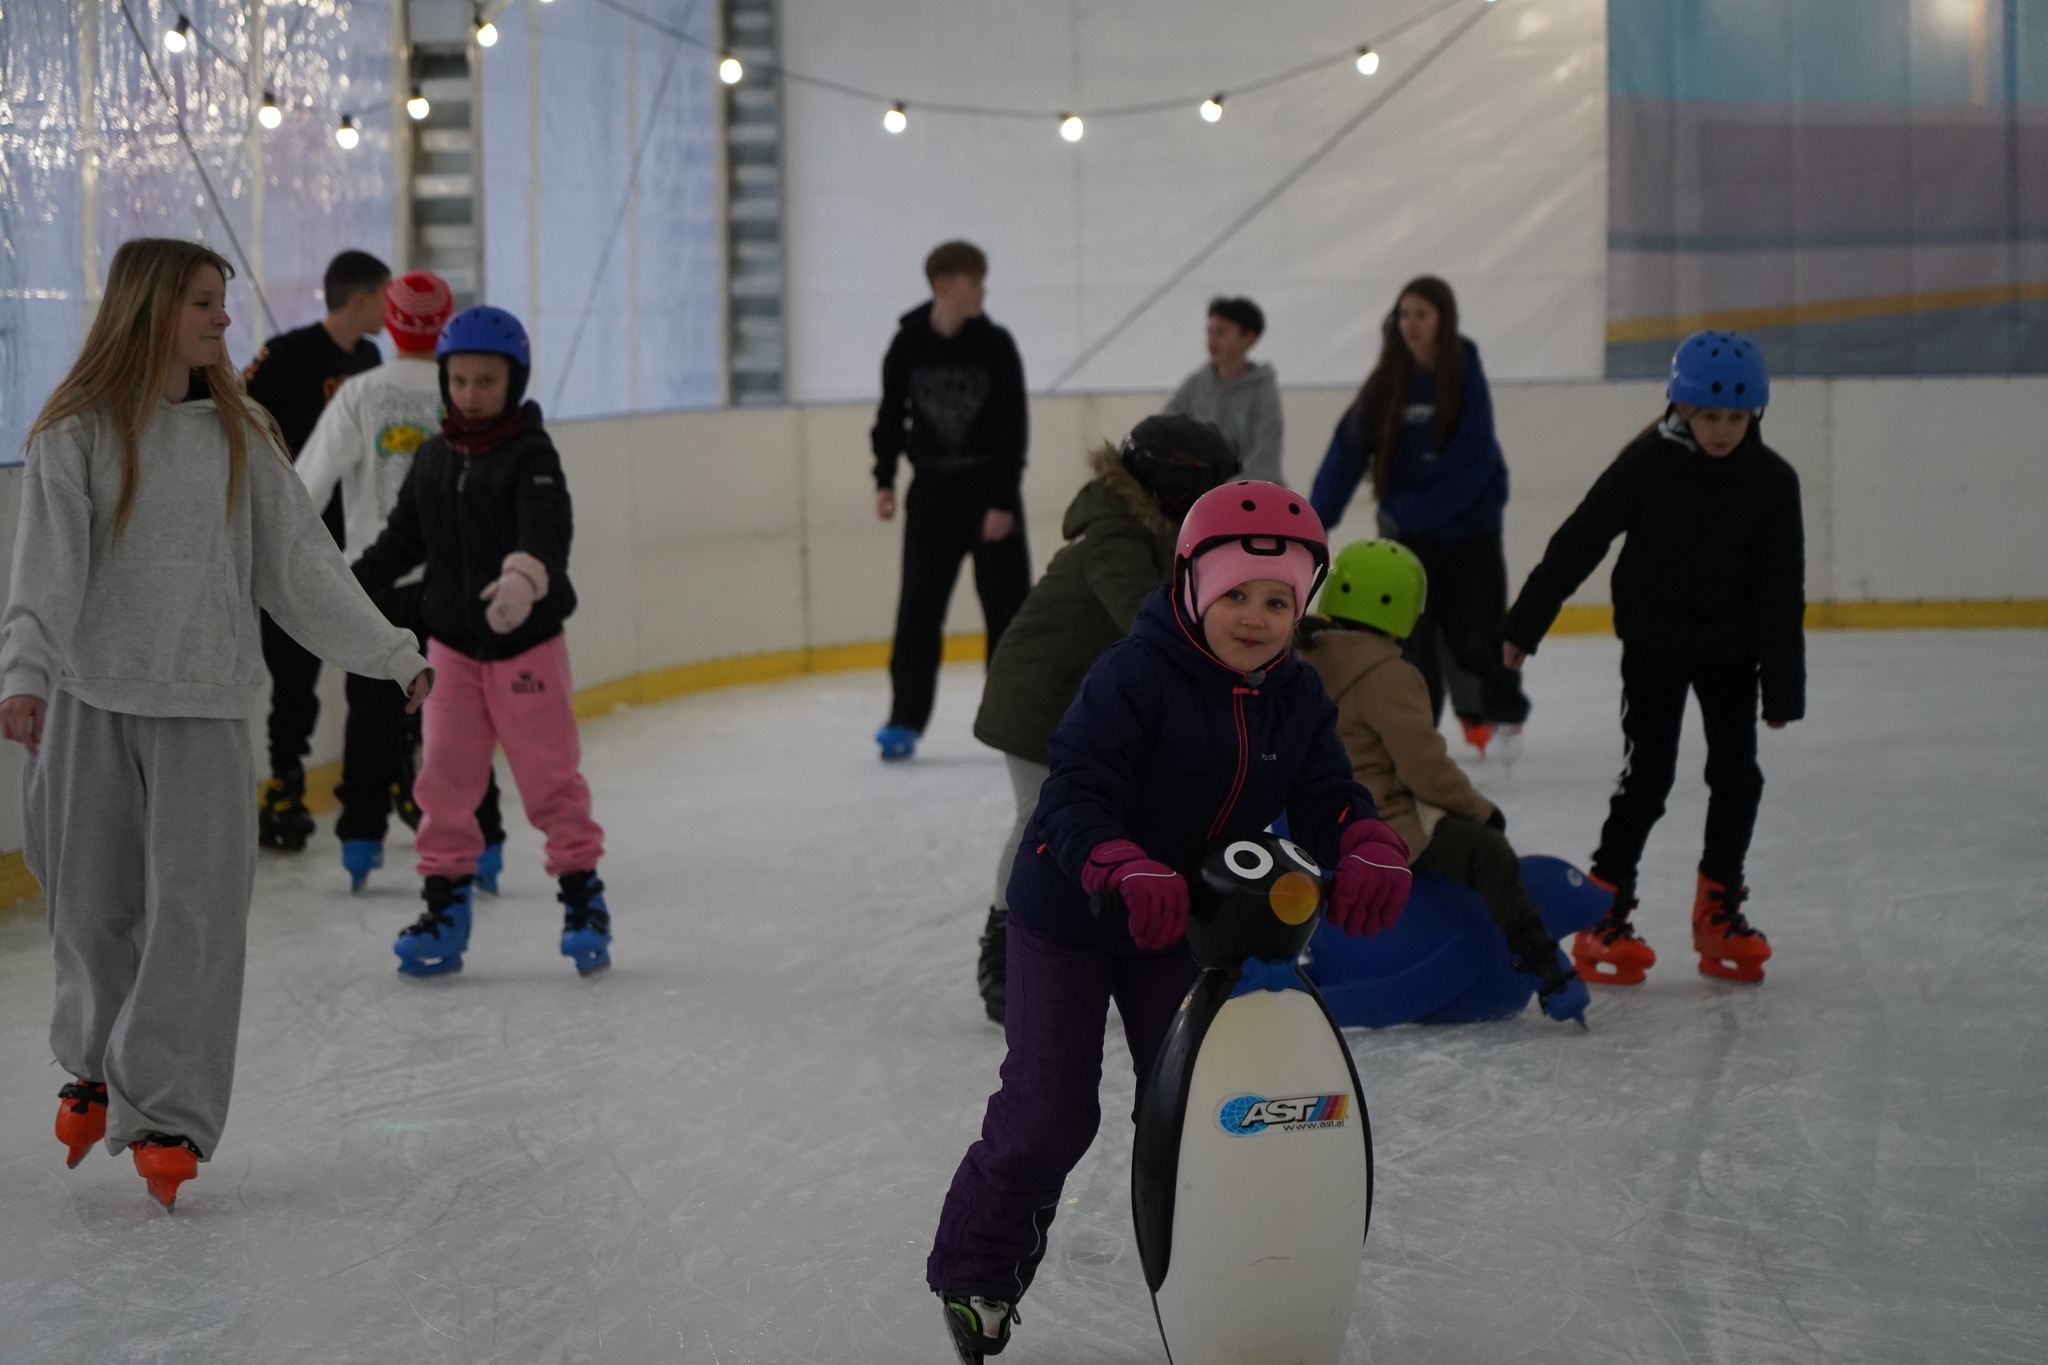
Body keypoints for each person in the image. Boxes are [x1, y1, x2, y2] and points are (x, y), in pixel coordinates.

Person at [928, 480, 1413, 1362]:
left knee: (1202, 1107)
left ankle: (1228, 1274)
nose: (1257, 618)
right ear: (1191, 587)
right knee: (1050, 1112)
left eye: (1278, 600)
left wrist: (1368, 838)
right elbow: (1075, 788)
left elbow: (1327, 795)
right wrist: (1117, 861)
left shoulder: (1295, 696)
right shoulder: (1133, 674)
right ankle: (977, 1273)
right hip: (1071, 910)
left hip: (1180, 925)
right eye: (1235, 594)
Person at [0, 239, 430, 1209]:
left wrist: (391, 652)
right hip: (88, 704)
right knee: (90, 908)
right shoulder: (75, 435)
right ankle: (94, 1063)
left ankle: (168, 1111)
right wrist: (25, 673)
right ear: (150, 308)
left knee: (196, 923)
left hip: (200, 709)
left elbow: (304, 568)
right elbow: (45, 572)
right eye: (204, 302)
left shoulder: (245, 434)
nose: (223, 321)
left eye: (221, 303)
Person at [1502, 330, 1803, 986]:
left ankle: (1717, 909)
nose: (1723, 429)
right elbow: (1579, 540)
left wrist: (1782, 688)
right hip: (1656, 648)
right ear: (1681, 407)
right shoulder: (1646, 465)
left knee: (1739, 776)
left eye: (1737, 416)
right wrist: (1526, 623)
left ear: (1755, 411)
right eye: (1710, 415)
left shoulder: (1773, 482)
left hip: (1731, 652)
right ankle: (1604, 913)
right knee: (1649, 776)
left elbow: (1781, 587)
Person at [352, 306, 612, 979]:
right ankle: (445, 909)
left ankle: (584, 900)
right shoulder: (435, 456)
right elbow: (403, 538)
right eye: (459, 380)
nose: (470, 393)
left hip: (525, 646)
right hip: (452, 649)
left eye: (486, 381)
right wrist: (346, 590)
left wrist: (524, 578)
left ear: (514, 381)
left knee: (550, 779)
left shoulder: (531, 453)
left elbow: (547, 527)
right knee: (442, 779)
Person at [968, 414, 1240, 1024]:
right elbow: (1147, 614)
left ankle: (1090, 937)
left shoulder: (1158, 530)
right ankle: (1004, 949)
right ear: (1178, 487)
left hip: (1082, 700)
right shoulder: (1115, 537)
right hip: (1039, 698)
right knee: (1039, 819)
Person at [1299, 538, 1588, 1023]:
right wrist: (1480, 811)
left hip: (1315, 818)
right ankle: (1543, 964)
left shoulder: (1307, 657)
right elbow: (1424, 770)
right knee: (1487, 851)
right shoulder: (1388, 673)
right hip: (1378, 822)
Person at [296, 271, 508, 894]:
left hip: (376, 584)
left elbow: (307, 488)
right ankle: (486, 839)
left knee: (370, 715)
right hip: (456, 583)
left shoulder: (361, 392)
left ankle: (361, 840)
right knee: (461, 715)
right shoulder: (467, 393)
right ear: (445, 324)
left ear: (390, 323)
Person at [1308, 276, 1530, 756]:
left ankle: (1503, 710)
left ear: (1442, 321)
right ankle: (1418, 734)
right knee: (1413, 643)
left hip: (1471, 530)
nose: (1412, 325)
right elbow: (1346, 452)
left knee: (1476, 638)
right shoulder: (1388, 381)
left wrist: (1415, 510)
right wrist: (1313, 521)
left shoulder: (1466, 374)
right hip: (1409, 537)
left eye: (1422, 315)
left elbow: (1474, 462)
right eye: (1405, 314)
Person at [243, 248, 393, 850]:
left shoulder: (373, 359)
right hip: (292, 543)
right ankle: (285, 781)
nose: (390, 308)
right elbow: (233, 411)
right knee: (295, 671)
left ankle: (395, 768)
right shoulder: (288, 355)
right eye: (385, 295)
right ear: (360, 298)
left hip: (356, 542)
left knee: (381, 659)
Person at [870, 240, 1032, 763]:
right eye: (973, 281)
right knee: (918, 609)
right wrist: (886, 479)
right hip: (933, 497)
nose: (982, 290)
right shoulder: (906, 345)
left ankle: (1014, 716)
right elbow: (892, 417)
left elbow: (1013, 427)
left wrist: (1003, 501)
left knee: (1007, 611)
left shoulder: (997, 345)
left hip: (990, 494)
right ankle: (904, 719)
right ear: (944, 287)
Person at [1163, 296, 1284, 484]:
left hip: (1252, 497)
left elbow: (1267, 454)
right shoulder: (1195, 385)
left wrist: (1232, 488)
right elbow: (1164, 433)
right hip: (1201, 496)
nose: (1212, 342)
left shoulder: (1262, 391)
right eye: (1209, 332)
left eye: (1221, 333)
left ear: (1248, 339)